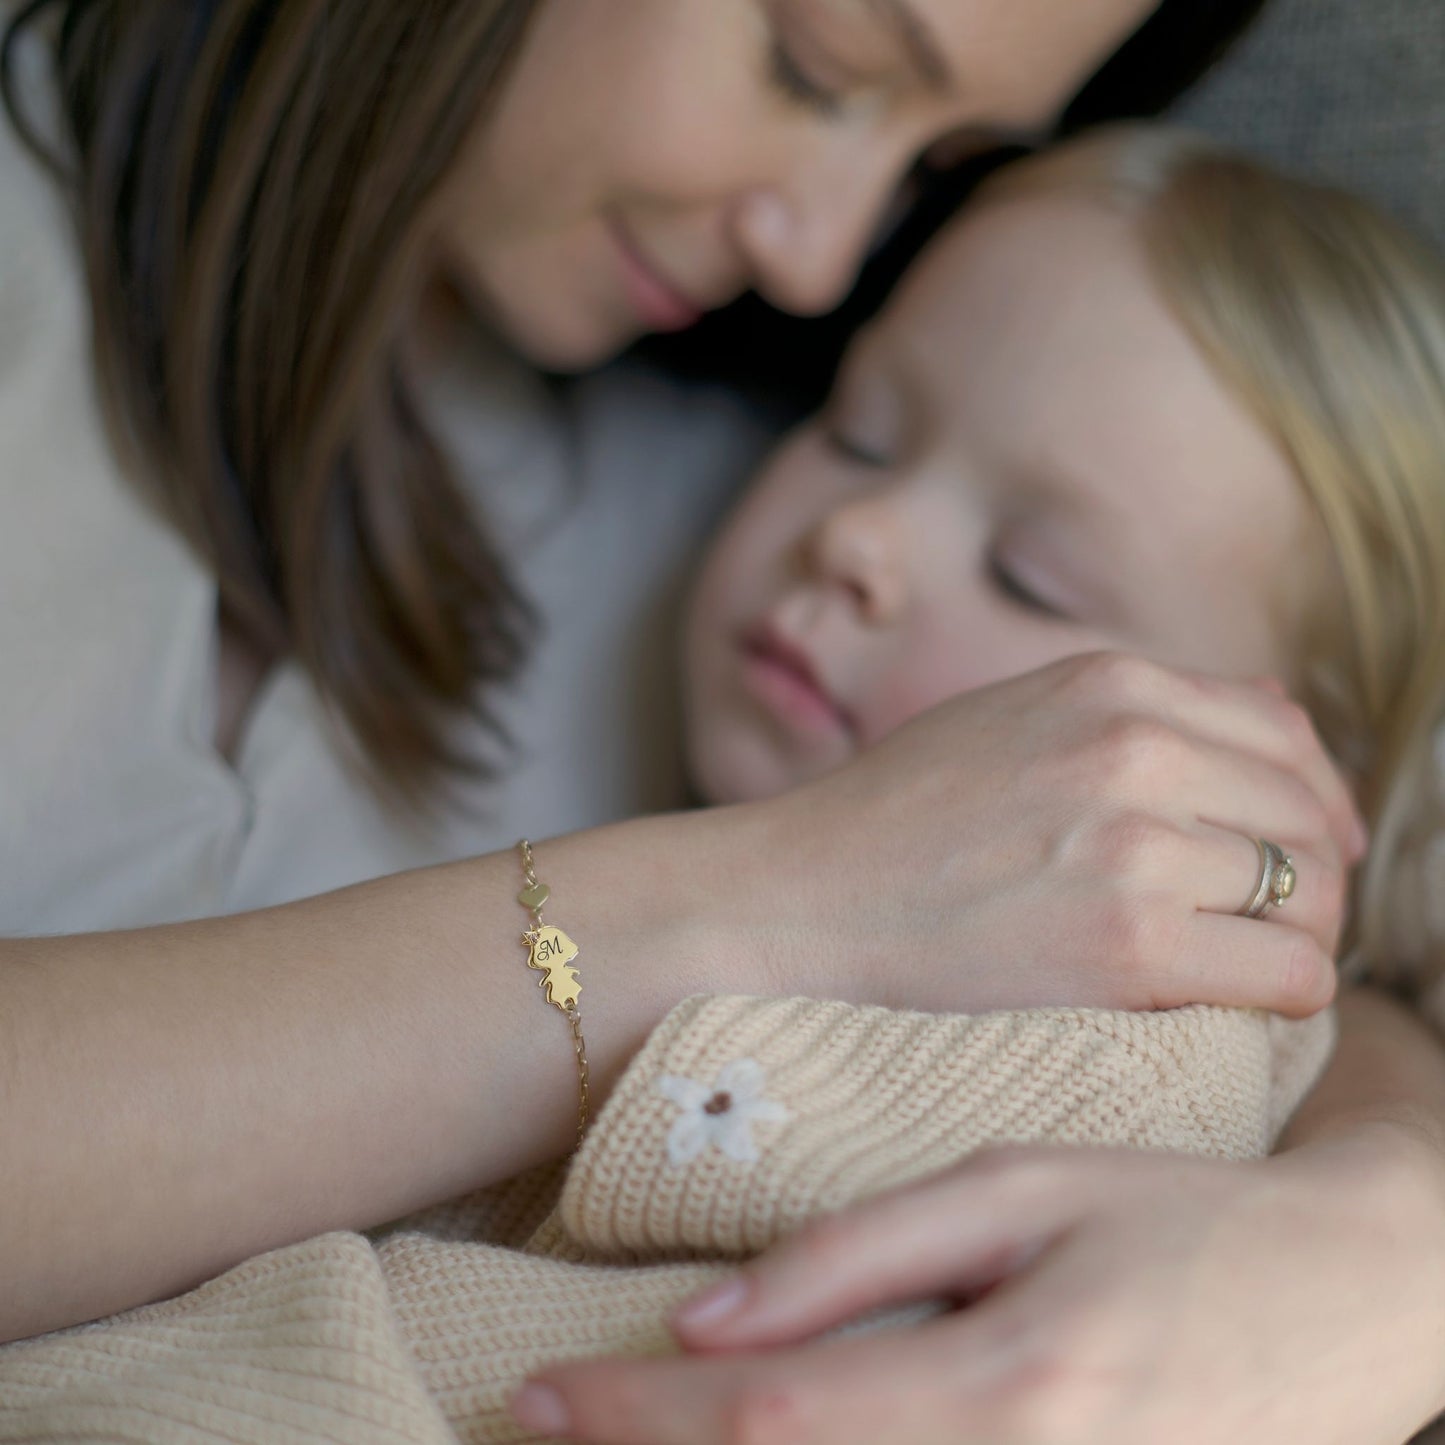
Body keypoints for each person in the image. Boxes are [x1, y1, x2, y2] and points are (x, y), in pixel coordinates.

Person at [0, 3, 1431, 1442]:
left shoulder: (702, 497)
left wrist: (1394, 1226)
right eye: (811, 65)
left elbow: (1244, 960)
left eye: (934, 166)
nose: (816, 264)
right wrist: (786, 885)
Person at [524, 128, 1445, 1442]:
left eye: (1030, 577)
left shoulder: (1163, 1075)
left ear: (1284, 777)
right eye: (856, 430)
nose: (858, 536)